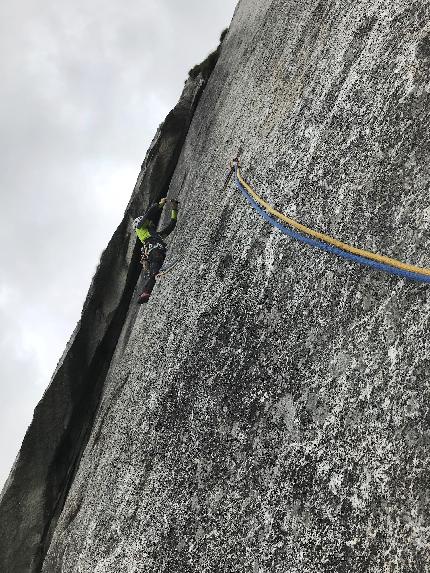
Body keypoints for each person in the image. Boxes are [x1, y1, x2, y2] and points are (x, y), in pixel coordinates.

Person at [133, 198, 178, 303]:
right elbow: (149, 214)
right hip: (154, 250)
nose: (151, 222)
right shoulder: (140, 228)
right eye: (148, 222)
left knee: (154, 274)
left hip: (157, 251)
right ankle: (156, 273)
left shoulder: (157, 236)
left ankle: (145, 292)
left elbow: (171, 226)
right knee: (156, 266)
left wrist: (174, 209)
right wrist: (160, 204)